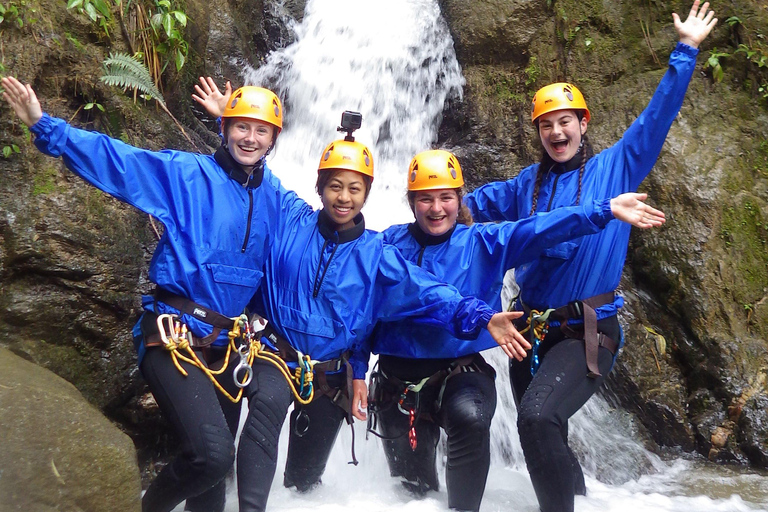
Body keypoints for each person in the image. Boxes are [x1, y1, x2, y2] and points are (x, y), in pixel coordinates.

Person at [192, 87, 530, 511]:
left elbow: (425, 291)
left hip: (329, 380)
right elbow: (252, 176)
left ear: (368, 194)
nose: (344, 196)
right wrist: (230, 126)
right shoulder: (290, 217)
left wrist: (480, 317)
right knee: (222, 455)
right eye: (335, 186)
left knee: (301, 488)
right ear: (320, 188)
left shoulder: (375, 254)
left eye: (355, 188)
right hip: (265, 358)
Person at [461, 2, 717, 511]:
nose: (556, 133)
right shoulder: (524, 186)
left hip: (587, 331)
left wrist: (685, 50)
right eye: (546, 125)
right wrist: (429, 206)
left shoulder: (615, 168)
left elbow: (656, 118)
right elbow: (460, 207)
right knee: (539, 432)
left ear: (583, 123)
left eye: (565, 122)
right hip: (530, 334)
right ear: (537, 132)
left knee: (537, 418)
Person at [1, 76, 294, 512]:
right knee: (213, 456)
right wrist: (46, 126)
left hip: (228, 344)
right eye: (240, 127)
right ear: (224, 130)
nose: (250, 138)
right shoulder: (187, 174)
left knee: (210, 479)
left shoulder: (275, 198)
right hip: (171, 333)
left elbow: (321, 228)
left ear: (273, 140)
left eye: (260, 130)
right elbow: (121, 163)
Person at [365, 149, 665, 511]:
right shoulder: (385, 245)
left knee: (471, 419)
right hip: (397, 384)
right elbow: (362, 310)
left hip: (459, 375)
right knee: (412, 497)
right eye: (425, 199)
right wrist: (352, 369)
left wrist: (603, 210)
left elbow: (540, 228)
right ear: (412, 202)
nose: (436, 208)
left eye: (446, 197)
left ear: (461, 200)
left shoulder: (483, 243)